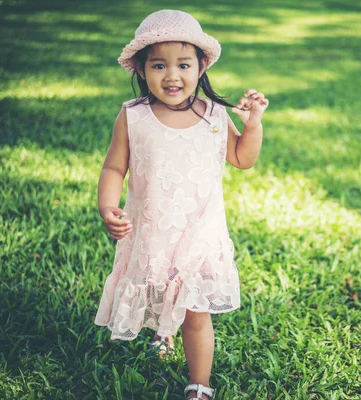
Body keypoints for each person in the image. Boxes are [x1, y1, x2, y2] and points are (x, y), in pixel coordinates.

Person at [93, 9, 268, 400]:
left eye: (183, 64)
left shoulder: (214, 116)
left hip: (200, 234)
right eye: (159, 65)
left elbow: (243, 158)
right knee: (159, 291)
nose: (172, 76)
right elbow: (113, 167)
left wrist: (253, 123)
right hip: (153, 229)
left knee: (195, 310)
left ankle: (199, 384)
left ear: (201, 65)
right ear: (141, 68)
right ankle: (162, 331)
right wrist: (108, 208)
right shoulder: (133, 117)